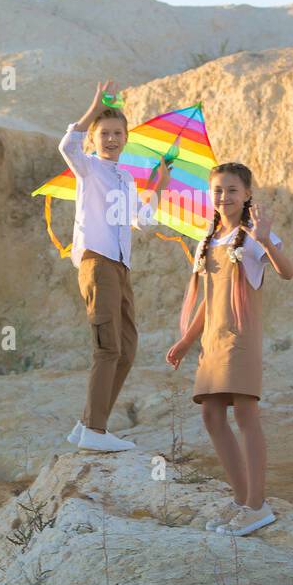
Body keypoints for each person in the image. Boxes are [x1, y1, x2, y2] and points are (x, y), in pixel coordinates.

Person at [166, 163, 293, 535]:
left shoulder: (254, 236)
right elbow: (209, 298)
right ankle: (242, 501)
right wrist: (187, 339)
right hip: (212, 341)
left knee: (246, 417)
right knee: (210, 416)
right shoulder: (208, 240)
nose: (224, 197)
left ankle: (257, 505)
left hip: (240, 337)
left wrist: (267, 240)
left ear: (247, 194)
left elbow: (287, 273)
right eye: (218, 190)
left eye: (232, 190)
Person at [59, 80, 170, 452]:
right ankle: (95, 430)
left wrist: (159, 185)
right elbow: (66, 144)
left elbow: (142, 221)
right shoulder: (87, 167)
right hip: (97, 262)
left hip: (121, 267)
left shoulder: (124, 177)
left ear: (125, 138)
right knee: (107, 348)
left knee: (127, 348)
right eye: (104, 133)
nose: (111, 139)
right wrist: (94, 104)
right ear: (94, 138)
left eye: (117, 133)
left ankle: (85, 426)